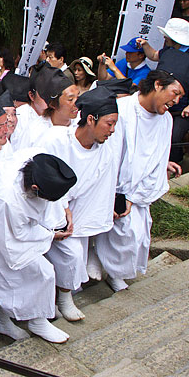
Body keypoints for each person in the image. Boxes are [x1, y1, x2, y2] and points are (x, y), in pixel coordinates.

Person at [95, 70, 184, 292]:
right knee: (125, 230)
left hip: (141, 188)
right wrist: (118, 194)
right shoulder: (124, 111)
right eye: (174, 93)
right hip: (116, 186)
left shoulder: (166, 120)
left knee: (139, 234)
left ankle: (114, 270)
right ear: (157, 85)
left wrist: (136, 195)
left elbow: (159, 155)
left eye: (181, 97)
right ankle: (105, 267)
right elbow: (113, 154)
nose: (176, 101)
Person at [38, 87, 122, 321]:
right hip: (46, 206)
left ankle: (64, 297)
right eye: (109, 123)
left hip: (74, 215)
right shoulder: (56, 140)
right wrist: (61, 208)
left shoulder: (105, 152)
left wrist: (73, 219)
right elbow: (39, 176)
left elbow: (96, 192)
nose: (113, 130)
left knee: (74, 253)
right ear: (91, 119)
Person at [0, 153, 76, 343]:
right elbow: (18, 235)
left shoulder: (36, 160)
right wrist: (50, 235)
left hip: (20, 226)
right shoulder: (8, 199)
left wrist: (63, 211)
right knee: (39, 273)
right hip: (2, 233)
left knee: (15, 279)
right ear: (34, 188)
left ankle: (4, 320)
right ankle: (37, 321)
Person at [136, 18, 189, 164]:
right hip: (161, 102)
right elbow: (154, 56)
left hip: (181, 108)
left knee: (173, 137)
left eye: (167, 35)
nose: (164, 38)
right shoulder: (168, 49)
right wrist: (145, 45)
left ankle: (174, 162)